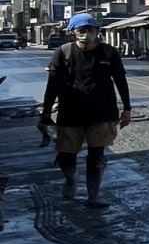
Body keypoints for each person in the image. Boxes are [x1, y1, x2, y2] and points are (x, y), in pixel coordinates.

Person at [37, 12, 133, 209]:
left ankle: (93, 195)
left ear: (97, 32)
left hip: (103, 113)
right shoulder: (63, 53)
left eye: (91, 30)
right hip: (70, 113)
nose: (87, 34)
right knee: (65, 156)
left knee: (96, 156)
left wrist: (127, 108)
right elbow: (52, 86)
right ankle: (71, 176)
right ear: (73, 32)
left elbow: (121, 81)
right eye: (82, 30)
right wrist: (46, 114)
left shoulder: (108, 53)